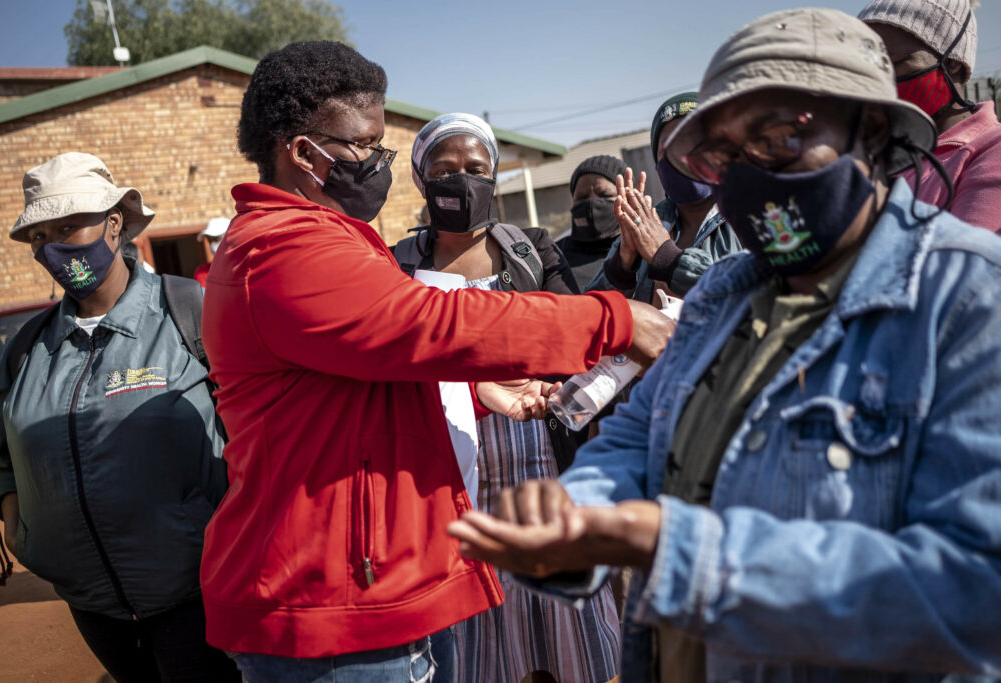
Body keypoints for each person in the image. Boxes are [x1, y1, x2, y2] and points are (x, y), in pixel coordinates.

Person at [448, 8, 1001, 681]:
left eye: (778, 138)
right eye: (725, 155)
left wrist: (677, 549)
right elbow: (637, 434)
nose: (750, 175)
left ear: (873, 131)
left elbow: (975, 588)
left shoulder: (969, 299)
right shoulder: (720, 293)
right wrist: (577, 512)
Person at [199, 41, 671, 682]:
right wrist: (616, 318)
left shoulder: (328, 240)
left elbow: (363, 377)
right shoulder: (284, 249)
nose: (377, 164)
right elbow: (427, 324)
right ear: (305, 153)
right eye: (366, 146)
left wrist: (475, 392)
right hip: (332, 609)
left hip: (373, 584)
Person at [0, 152, 237, 682]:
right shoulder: (28, 349)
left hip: (200, 594)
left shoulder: (190, 312)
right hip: (92, 604)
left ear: (114, 221)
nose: (53, 246)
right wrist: (23, 525)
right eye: (40, 237)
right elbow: (3, 451)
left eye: (70, 226)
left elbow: (255, 432)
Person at [394, 113, 621, 683]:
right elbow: (395, 365)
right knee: (481, 643)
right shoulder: (398, 265)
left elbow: (574, 341)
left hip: (542, 462)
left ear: (494, 176)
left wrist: (543, 385)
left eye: (476, 169)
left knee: (566, 630)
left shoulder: (531, 251)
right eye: (444, 170)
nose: (462, 181)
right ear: (422, 180)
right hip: (451, 478)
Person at [586, 92, 742, 302]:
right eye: (669, 147)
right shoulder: (645, 224)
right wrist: (621, 267)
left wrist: (668, 259)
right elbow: (591, 309)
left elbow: (756, 295)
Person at [860, 0, 1001, 232]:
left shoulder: (990, 152)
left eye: (892, 64)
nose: (878, 81)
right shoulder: (876, 151)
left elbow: (961, 262)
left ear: (952, 62)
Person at [557, 155, 627, 292]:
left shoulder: (643, 254)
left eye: (605, 195)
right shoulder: (554, 256)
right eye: (582, 197)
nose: (592, 203)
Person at [193, 216, 231, 286]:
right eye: (209, 241)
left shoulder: (247, 266)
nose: (212, 245)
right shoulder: (203, 272)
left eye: (216, 239)